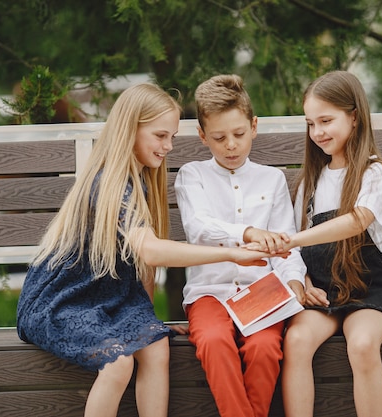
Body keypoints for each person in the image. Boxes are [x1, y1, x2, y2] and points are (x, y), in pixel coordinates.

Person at [16, 82, 287, 417]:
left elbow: (141, 267)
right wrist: (231, 252)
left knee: (157, 345)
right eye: (160, 136)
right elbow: (151, 252)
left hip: (111, 298)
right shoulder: (110, 184)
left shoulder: (142, 178)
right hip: (64, 300)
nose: (168, 146)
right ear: (131, 129)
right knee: (118, 362)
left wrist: (147, 317)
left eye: (172, 136)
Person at [174, 74, 307, 417]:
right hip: (209, 292)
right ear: (202, 136)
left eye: (238, 134)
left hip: (262, 292)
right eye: (219, 137)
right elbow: (198, 226)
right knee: (214, 341)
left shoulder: (272, 179)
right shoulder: (192, 175)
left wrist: (294, 280)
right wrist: (246, 232)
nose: (230, 145)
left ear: (254, 126)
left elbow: (286, 244)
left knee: (264, 347)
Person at [280, 71, 382, 417]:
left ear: (354, 116)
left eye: (326, 120)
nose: (317, 132)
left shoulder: (375, 173)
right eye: (310, 123)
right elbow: (295, 254)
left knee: (363, 343)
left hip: (371, 291)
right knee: (296, 341)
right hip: (323, 292)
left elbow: (357, 221)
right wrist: (304, 283)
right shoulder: (309, 181)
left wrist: (295, 238)